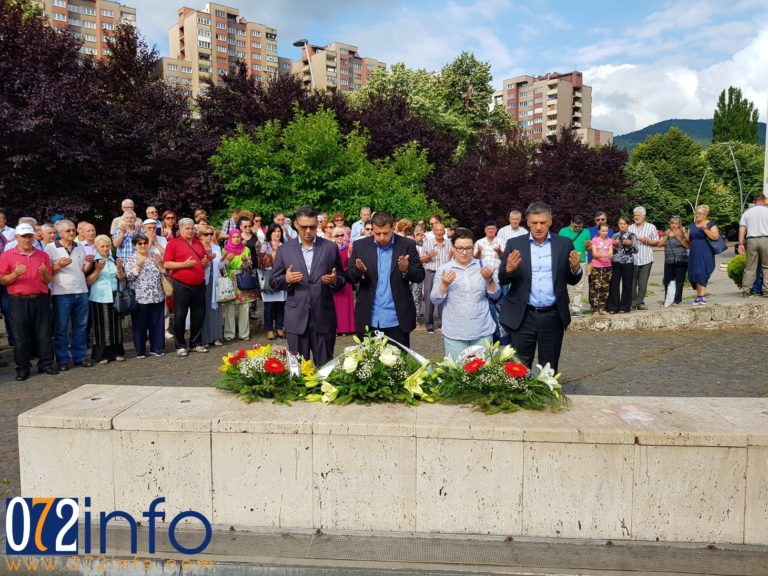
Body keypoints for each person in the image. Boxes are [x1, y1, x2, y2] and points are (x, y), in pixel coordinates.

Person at [497, 202, 582, 373]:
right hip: (523, 315)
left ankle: (547, 390)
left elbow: (571, 280)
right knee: (518, 368)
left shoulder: (564, 244)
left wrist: (575, 269)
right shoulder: (515, 244)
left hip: (553, 316)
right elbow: (502, 279)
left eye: (542, 222)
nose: (538, 227)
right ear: (527, 222)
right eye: (534, 222)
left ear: (550, 222)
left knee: (549, 368)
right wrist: (509, 269)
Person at [270, 205, 346, 365]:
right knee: (297, 370)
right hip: (296, 318)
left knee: (325, 369)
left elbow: (342, 279)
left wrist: (334, 281)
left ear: (317, 224)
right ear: (296, 225)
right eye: (304, 227)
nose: (308, 231)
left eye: (312, 226)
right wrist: (285, 279)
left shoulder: (330, 248)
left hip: (323, 318)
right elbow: (273, 281)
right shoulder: (285, 250)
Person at [347, 211, 425, 348]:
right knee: (368, 361)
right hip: (369, 319)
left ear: (393, 228)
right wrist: (359, 271)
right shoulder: (360, 246)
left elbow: (420, 275)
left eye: (386, 233)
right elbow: (349, 277)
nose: (382, 237)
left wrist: (407, 269)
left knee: (398, 360)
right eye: (377, 233)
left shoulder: (407, 245)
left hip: (397, 320)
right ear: (372, 229)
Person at [431, 227, 500, 358]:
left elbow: (496, 294)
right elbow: (435, 300)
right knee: (457, 369)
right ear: (452, 248)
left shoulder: (484, 266)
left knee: (484, 369)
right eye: (460, 248)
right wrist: (444, 285)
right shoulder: (444, 269)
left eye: (468, 248)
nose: (464, 252)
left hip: (482, 330)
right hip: (454, 332)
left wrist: (489, 280)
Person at [0, 223, 57, 380]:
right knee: (20, 336)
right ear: (16, 237)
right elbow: (3, 280)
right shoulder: (6, 255)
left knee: (44, 334)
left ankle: (46, 364)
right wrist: (15, 274)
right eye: (23, 236)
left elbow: (48, 280)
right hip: (18, 300)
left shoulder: (42, 255)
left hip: (40, 298)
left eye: (29, 236)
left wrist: (45, 274)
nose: (26, 239)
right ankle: (23, 368)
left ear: (34, 237)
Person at [47, 219, 95, 370]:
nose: (72, 233)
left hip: (81, 291)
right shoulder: (51, 248)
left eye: (73, 230)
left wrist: (89, 263)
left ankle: (79, 357)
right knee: (61, 328)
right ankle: (62, 359)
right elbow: (47, 273)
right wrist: (58, 266)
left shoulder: (79, 246)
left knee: (81, 327)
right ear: (60, 232)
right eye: (68, 230)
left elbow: (81, 270)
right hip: (61, 293)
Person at [163, 218, 210, 357]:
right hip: (181, 285)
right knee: (180, 316)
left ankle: (196, 343)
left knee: (198, 315)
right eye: (187, 228)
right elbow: (167, 264)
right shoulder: (173, 243)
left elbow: (205, 263)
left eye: (192, 228)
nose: (190, 231)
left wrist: (205, 263)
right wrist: (184, 265)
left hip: (199, 284)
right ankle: (180, 345)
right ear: (180, 229)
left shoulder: (198, 243)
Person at [125, 234, 166, 358]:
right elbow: (129, 277)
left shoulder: (154, 256)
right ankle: (141, 350)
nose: (143, 245)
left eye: (145, 243)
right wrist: (138, 266)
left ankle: (157, 348)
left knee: (157, 325)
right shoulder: (130, 259)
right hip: (140, 298)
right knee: (140, 325)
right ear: (135, 245)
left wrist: (160, 264)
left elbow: (165, 273)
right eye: (139, 243)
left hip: (157, 295)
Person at [86, 235, 126, 363]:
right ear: (96, 247)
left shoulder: (114, 259)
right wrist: (97, 270)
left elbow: (122, 279)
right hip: (99, 296)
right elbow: (88, 281)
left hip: (114, 295)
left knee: (116, 325)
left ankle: (117, 352)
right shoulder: (93, 261)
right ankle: (101, 354)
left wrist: (119, 268)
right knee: (101, 325)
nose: (105, 249)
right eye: (102, 246)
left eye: (107, 246)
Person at [221, 229, 257, 341]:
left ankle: (244, 334)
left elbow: (249, 266)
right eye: (234, 237)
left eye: (238, 237)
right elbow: (222, 268)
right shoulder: (225, 250)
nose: (236, 239)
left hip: (243, 279)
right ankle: (229, 334)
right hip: (230, 280)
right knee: (230, 309)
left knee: (244, 308)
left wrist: (246, 262)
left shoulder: (246, 249)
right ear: (230, 238)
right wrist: (228, 261)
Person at [420, 222, 452, 333]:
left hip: (444, 273)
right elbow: (421, 259)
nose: (439, 232)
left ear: (444, 231)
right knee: (429, 298)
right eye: (437, 230)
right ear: (433, 231)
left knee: (444, 297)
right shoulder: (427, 243)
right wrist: (428, 256)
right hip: (430, 273)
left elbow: (453, 259)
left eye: (441, 230)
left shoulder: (449, 244)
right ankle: (429, 324)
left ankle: (443, 322)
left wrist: (451, 255)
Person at [686, 204, 719, 306]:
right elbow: (688, 240)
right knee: (694, 274)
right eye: (696, 213)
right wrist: (683, 234)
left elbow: (715, 237)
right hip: (694, 251)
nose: (697, 215)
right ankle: (698, 295)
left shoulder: (710, 224)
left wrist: (705, 230)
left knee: (701, 272)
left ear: (705, 215)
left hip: (705, 251)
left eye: (699, 213)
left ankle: (701, 295)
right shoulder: (692, 225)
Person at [558, 215, 591, 316]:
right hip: (566, 260)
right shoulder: (563, 231)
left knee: (579, 286)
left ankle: (577, 309)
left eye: (579, 227)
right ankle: (563, 307)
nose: (577, 228)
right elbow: (558, 245)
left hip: (581, 261)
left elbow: (588, 249)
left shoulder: (586, 232)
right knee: (563, 285)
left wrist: (588, 246)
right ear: (571, 223)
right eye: (575, 226)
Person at [198, 224, 224, 348]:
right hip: (204, 280)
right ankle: (205, 338)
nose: (209, 236)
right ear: (201, 236)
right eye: (206, 234)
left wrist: (225, 260)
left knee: (216, 309)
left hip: (216, 281)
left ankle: (216, 336)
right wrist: (207, 260)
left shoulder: (216, 247)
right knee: (204, 310)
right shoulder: (198, 247)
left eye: (211, 234)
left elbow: (220, 266)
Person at [259, 223, 287, 340]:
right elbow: (261, 262)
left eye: (279, 231)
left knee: (281, 304)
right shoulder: (265, 245)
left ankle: (279, 327)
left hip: (281, 276)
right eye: (275, 231)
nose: (277, 233)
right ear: (270, 233)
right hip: (269, 276)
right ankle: (269, 329)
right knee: (269, 306)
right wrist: (272, 256)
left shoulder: (284, 245)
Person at [628, 206, 659, 311]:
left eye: (638, 215)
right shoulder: (630, 228)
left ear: (644, 216)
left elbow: (657, 242)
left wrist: (648, 241)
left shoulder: (651, 227)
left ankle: (640, 302)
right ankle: (632, 302)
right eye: (635, 215)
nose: (636, 217)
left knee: (643, 282)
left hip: (646, 259)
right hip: (632, 259)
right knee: (632, 282)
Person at [737, 194, 768, 296]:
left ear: (755, 201)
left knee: (750, 267)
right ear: (764, 200)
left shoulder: (747, 213)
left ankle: (746, 290)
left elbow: (742, 229)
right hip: (765, 239)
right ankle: (766, 290)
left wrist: (741, 244)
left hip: (751, 241)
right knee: (766, 267)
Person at [606, 216, 638, 314]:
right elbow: (610, 251)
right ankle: (613, 307)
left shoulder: (632, 236)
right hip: (616, 262)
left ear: (628, 225)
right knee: (614, 284)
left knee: (627, 284)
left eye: (624, 224)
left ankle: (624, 307)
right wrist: (614, 246)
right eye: (620, 223)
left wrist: (630, 244)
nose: (622, 225)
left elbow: (636, 250)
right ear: (618, 224)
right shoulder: (614, 236)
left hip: (628, 262)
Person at [657, 215, 689, 307]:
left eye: (676, 223)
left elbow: (687, 246)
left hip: (681, 259)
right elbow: (659, 245)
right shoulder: (666, 232)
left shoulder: (682, 232)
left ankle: (676, 300)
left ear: (679, 224)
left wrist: (678, 237)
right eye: (672, 223)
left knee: (679, 281)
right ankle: (668, 299)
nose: (674, 225)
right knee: (667, 280)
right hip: (668, 260)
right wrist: (666, 236)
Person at [332, 226, 356, 335]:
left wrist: (350, 256)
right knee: (337, 305)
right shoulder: (331, 249)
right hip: (336, 279)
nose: (340, 237)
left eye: (342, 235)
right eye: (337, 235)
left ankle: (347, 328)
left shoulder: (348, 248)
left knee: (346, 305)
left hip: (346, 279)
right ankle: (337, 329)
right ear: (334, 237)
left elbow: (351, 263)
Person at [588, 224, 613, 315]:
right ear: (599, 231)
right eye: (603, 231)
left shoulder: (610, 240)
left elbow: (611, 253)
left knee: (605, 288)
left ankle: (602, 308)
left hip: (607, 266)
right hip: (596, 267)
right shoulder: (595, 240)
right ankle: (595, 308)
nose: (605, 233)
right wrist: (605, 255)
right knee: (595, 287)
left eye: (606, 231)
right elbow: (595, 254)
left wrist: (609, 255)